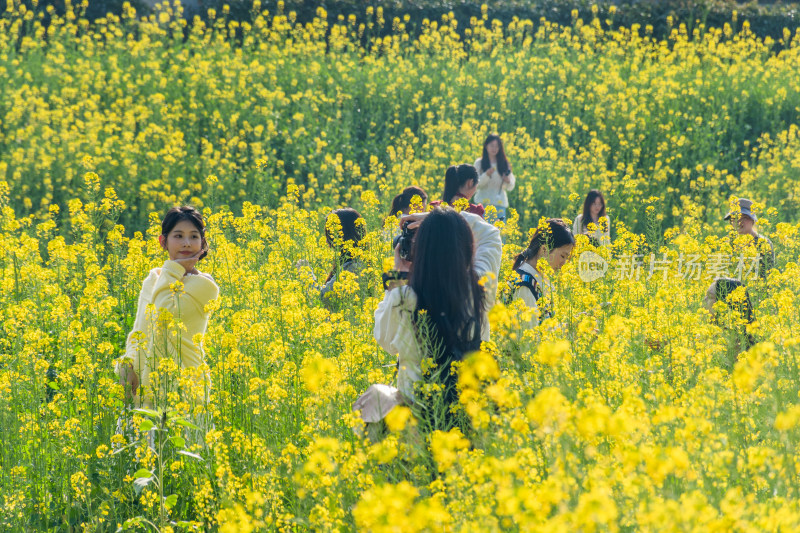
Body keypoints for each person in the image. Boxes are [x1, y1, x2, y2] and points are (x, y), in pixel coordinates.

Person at [355, 207, 502, 436]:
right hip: (467, 419)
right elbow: (491, 236)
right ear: (465, 248)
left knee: (374, 398)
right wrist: (447, 219)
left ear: (420, 251)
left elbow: (384, 340)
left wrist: (398, 276)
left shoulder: (404, 298)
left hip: (417, 425)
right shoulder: (479, 292)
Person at [116, 206, 219, 411]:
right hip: (145, 389)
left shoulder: (205, 286)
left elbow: (165, 312)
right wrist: (127, 367)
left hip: (185, 390)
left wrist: (173, 268)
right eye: (178, 236)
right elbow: (140, 329)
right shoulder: (155, 278)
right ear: (163, 242)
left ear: (203, 242)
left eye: (194, 236)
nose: (187, 243)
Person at [509, 219, 575, 328]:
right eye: (563, 256)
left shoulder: (539, 280)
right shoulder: (525, 285)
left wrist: (572, 327)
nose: (564, 263)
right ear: (544, 249)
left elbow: (546, 328)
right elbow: (531, 339)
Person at [703, 277, 757, 369]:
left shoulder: (740, 346)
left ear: (725, 302)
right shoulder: (703, 338)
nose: (704, 300)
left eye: (710, 297)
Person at [320, 208, 367, 301]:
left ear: (341, 234)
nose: (327, 240)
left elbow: (322, 297)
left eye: (330, 234)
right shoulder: (356, 262)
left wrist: (306, 273)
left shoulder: (353, 267)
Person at [724, 198, 775, 279]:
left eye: (743, 218)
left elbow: (767, 276)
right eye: (734, 218)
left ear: (753, 220)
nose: (738, 222)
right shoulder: (726, 243)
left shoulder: (764, 243)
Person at [474, 135, 515, 222]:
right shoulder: (479, 163)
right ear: (486, 146)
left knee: (499, 232)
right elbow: (476, 185)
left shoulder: (505, 163)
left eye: (497, 146)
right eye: (492, 145)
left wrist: (507, 181)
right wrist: (486, 175)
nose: (494, 148)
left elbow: (511, 186)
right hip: (483, 204)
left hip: (499, 203)